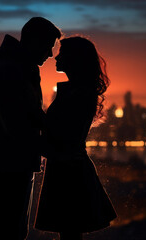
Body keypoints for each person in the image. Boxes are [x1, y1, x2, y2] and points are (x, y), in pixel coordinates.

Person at [0, 17, 61, 240]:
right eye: (49, 46)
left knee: (13, 230)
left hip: (10, 162)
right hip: (9, 164)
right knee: (11, 232)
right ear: (35, 41)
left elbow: (25, 117)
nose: (51, 54)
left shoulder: (16, 69)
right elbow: (17, 126)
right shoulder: (12, 71)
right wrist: (55, 150)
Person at [35, 36, 117, 240]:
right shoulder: (77, 92)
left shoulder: (78, 94)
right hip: (69, 170)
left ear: (75, 58)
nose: (55, 57)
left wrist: (31, 140)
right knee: (70, 232)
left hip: (69, 173)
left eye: (62, 52)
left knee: (69, 232)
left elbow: (63, 137)